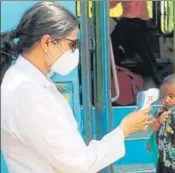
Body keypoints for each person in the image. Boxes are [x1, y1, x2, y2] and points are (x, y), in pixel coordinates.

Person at [0, 2, 152, 173]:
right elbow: (77, 164)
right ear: (47, 42)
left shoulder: (31, 81)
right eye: (71, 45)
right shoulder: (26, 91)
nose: (75, 52)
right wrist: (124, 130)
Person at [109, 1, 162, 85]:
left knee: (108, 47)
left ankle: (108, 78)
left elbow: (111, 4)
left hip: (129, 19)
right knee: (146, 54)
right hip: (142, 21)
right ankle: (159, 82)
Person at [147, 74, 175, 172]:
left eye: (171, 96)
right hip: (164, 155)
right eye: (163, 96)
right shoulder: (160, 112)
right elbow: (153, 128)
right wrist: (159, 121)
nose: (166, 100)